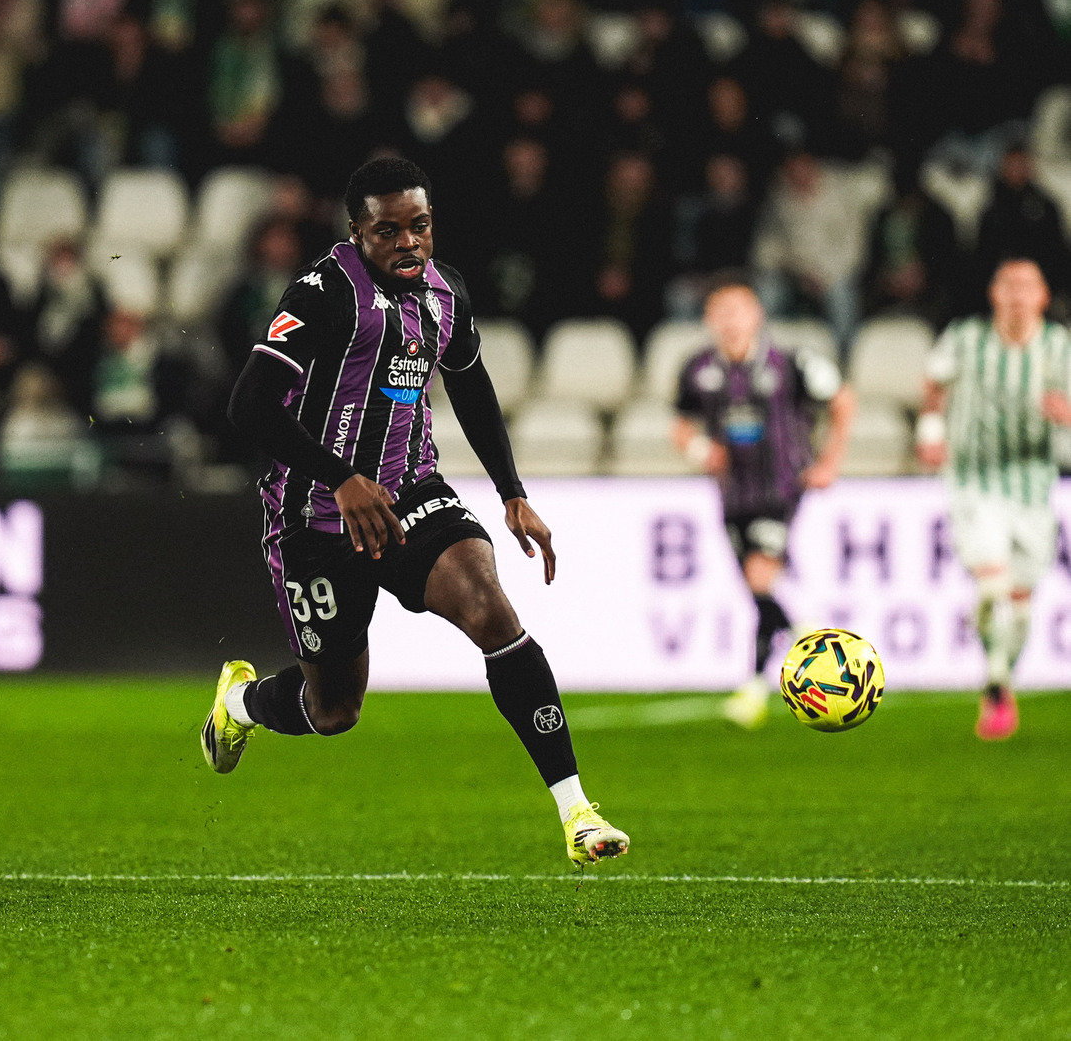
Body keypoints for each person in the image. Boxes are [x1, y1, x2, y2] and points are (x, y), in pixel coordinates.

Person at [203, 158, 630, 867]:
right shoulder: (323, 292)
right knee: (334, 710)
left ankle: (577, 811)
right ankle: (242, 704)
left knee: (490, 607)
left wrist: (512, 491)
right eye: (388, 230)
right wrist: (340, 477)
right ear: (357, 232)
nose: (408, 242)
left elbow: (470, 381)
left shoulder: (445, 292)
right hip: (314, 516)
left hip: (410, 493)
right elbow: (248, 403)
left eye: (420, 226)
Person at [672, 282, 855, 728]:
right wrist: (700, 450)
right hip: (732, 494)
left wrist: (828, 463)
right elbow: (681, 425)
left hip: (781, 489)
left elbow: (843, 401)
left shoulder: (792, 362)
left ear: (757, 316)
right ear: (708, 320)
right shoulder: (697, 369)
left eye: (739, 310)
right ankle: (756, 684)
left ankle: (809, 637)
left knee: (760, 574)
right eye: (721, 311)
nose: (730, 320)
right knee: (759, 591)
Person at [917, 259, 1071, 741]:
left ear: (1043, 296)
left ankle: (999, 677)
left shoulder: (1060, 346)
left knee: (1020, 605)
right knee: (992, 584)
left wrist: (1066, 416)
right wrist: (931, 431)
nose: (1018, 295)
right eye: (1009, 285)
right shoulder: (965, 339)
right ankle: (997, 679)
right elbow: (933, 384)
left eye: (1028, 286)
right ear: (993, 294)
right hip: (974, 479)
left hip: (1033, 485)